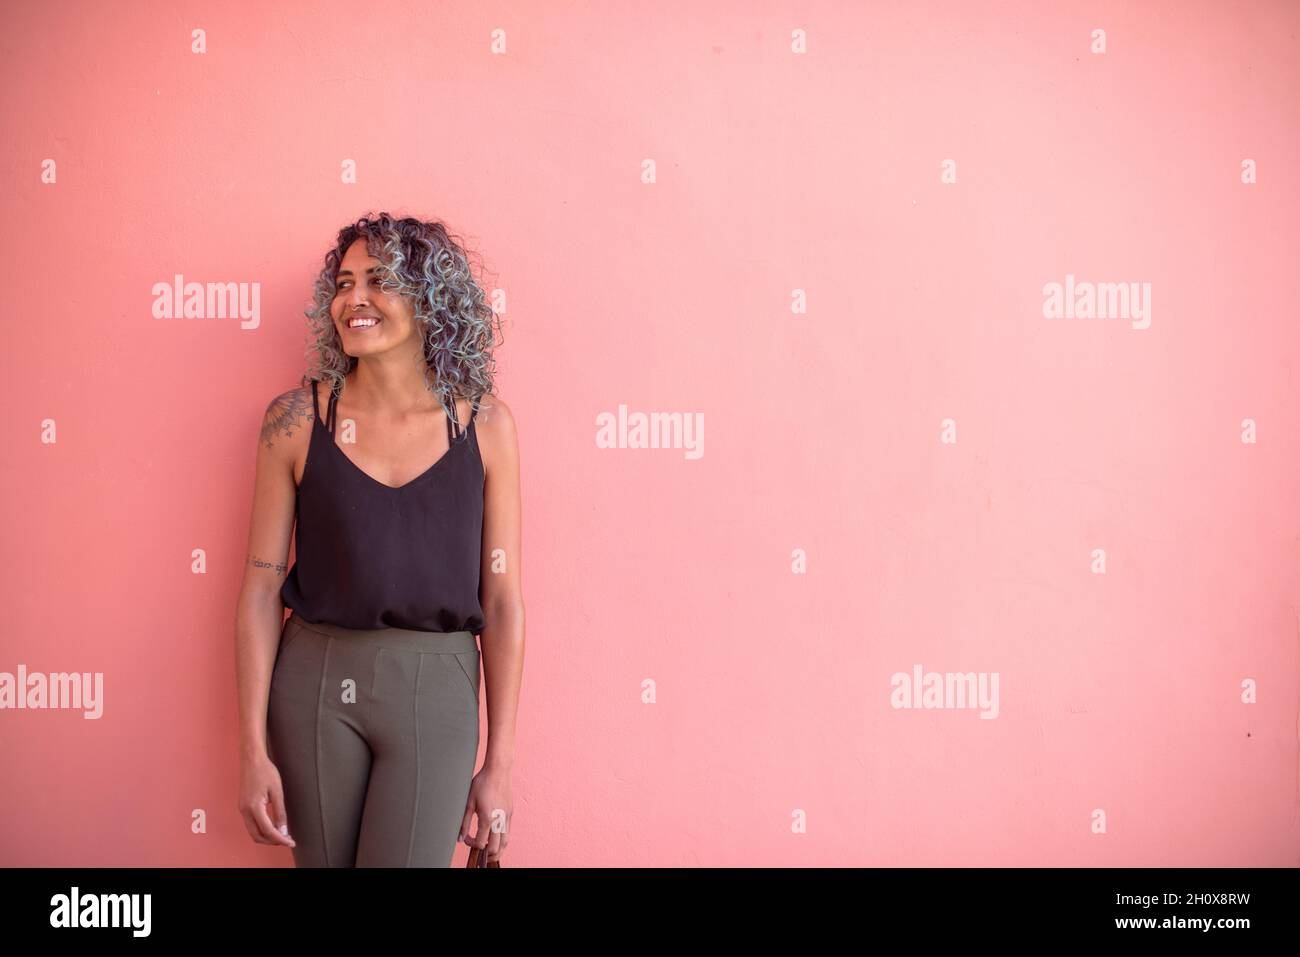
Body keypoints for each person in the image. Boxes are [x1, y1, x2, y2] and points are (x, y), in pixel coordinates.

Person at [233, 213, 523, 866]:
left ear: (431, 299)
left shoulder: (487, 425)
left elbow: (503, 601)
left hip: (438, 689)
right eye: (343, 283)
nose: (353, 299)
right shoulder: (295, 418)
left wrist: (499, 762)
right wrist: (251, 748)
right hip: (311, 683)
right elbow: (259, 584)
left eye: (380, 280)